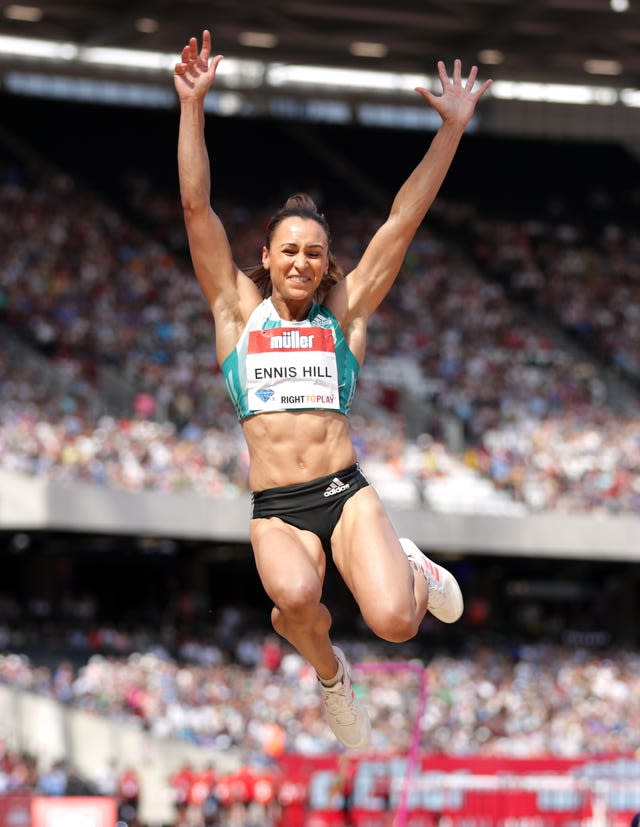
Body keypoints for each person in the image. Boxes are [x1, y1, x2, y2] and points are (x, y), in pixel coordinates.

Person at [173, 29, 492, 750]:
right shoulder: (235, 313)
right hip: (278, 508)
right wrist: (191, 108)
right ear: (265, 255)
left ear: (326, 265)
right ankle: (332, 679)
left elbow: (401, 222)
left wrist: (450, 131)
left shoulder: (343, 317)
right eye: (288, 249)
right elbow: (197, 210)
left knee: (396, 620)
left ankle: (410, 564)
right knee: (292, 604)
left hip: (344, 493)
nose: (301, 261)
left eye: (314, 253)